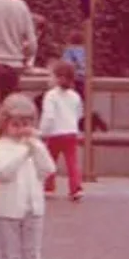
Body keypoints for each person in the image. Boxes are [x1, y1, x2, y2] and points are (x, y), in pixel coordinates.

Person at [0, 93, 57, 259]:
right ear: (5, 124)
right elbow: (2, 172)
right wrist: (23, 151)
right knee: (9, 257)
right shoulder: (1, 146)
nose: (21, 130)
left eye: (26, 124)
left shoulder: (34, 145)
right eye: (15, 125)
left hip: (34, 209)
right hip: (8, 210)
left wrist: (36, 147)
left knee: (32, 256)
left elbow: (48, 169)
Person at [40, 59, 84, 201]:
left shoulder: (50, 95)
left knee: (50, 160)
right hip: (71, 132)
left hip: (55, 133)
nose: (49, 79)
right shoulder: (75, 96)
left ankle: (49, 187)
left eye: (51, 76)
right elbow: (79, 114)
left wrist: (42, 131)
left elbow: (49, 116)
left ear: (58, 78)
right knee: (72, 162)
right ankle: (75, 188)